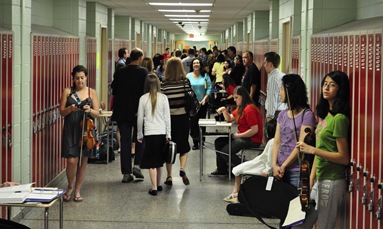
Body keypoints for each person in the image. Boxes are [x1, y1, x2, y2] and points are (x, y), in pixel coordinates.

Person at [294, 71, 350, 229]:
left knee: (325, 225)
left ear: (340, 90)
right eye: (325, 84)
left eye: (332, 85)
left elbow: (343, 157)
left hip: (332, 180)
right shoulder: (327, 116)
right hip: (321, 178)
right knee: (303, 223)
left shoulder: (339, 119)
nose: (326, 88)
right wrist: (311, 179)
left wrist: (312, 150)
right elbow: (319, 150)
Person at [60, 65, 100, 202]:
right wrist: (70, 108)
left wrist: (90, 110)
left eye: (82, 78)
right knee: (72, 160)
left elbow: (97, 113)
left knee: (83, 161)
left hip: (85, 130)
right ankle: (70, 186)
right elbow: (61, 112)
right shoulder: (67, 91)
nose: (80, 81)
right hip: (71, 128)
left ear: (86, 78)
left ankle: (77, 190)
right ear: (73, 79)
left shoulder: (91, 92)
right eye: (77, 78)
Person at [271, 74, 316, 188]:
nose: (279, 93)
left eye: (281, 89)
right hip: (280, 169)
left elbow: (301, 145)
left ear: (290, 91)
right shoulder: (282, 114)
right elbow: (277, 142)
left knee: (295, 203)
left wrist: (284, 166)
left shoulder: (307, 115)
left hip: (296, 170)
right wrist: (274, 165)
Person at [209, 86, 263, 176]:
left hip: (252, 139)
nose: (234, 100)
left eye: (236, 97)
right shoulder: (240, 108)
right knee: (218, 142)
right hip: (243, 136)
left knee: (225, 151)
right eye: (234, 97)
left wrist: (239, 135)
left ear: (243, 97)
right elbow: (229, 119)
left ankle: (244, 169)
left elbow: (254, 130)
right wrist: (224, 110)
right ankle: (222, 169)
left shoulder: (249, 110)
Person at [111, 48, 147, 183]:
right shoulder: (143, 72)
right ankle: (137, 165)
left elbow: (114, 89)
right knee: (140, 138)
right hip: (139, 111)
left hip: (122, 111)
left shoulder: (120, 71)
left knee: (125, 141)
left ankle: (126, 173)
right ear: (140, 58)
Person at [223, 119, 277, 203]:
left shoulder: (273, 142)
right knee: (237, 169)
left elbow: (270, 158)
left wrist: (267, 170)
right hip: (261, 161)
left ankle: (236, 192)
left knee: (238, 170)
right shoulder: (272, 141)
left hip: (263, 165)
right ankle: (236, 191)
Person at [137, 74, 171, 196]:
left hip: (149, 133)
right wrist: (168, 134)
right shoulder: (163, 98)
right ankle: (159, 184)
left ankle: (154, 187)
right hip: (161, 132)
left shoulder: (143, 98)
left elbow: (140, 119)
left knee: (151, 162)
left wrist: (139, 134)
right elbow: (167, 118)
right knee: (159, 161)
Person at [161, 57, 193, 186]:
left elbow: (161, 102)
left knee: (169, 146)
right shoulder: (185, 82)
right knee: (183, 145)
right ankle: (182, 169)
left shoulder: (163, 84)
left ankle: (169, 176)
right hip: (183, 117)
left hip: (168, 119)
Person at [186, 57, 212, 150]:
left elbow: (209, 87)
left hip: (203, 102)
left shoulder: (205, 75)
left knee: (202, 122)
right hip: (192, 104)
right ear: (192, 65)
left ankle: (202, 141)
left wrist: (205, 98)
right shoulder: (188, 76)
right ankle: (195, 141)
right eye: (194, 63)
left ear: (200, 65)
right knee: (193, 123)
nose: (196, 65)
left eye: (198, 63)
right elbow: (187, 89)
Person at [264, 52, 287, 122]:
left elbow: (272, 98)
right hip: (284, 112)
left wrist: (269, 117)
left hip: (275, 114)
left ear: (270, 64)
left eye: (265, 63)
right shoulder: (283, 75)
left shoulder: (273, 79)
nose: (264, 65)